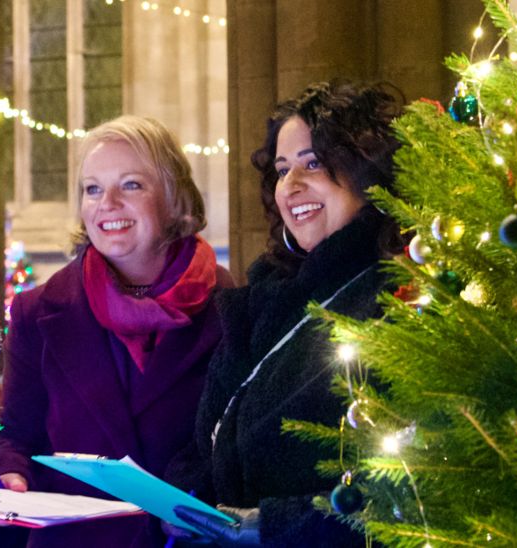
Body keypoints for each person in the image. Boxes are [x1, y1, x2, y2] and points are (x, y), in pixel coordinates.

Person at [166, 81, 405, 546]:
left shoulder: (399, 295)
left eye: (313, 163)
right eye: (281, 170)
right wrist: (183, 498)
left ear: (367, 170)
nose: (291, 186)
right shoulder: (263, 294)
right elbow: (209, 439)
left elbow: (407, 484)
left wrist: (268, 527)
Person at [0, 115, 234, 548]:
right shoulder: (37, 311)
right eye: (93, 189)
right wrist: (11, 470)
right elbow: (16, 435)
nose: (108, 203)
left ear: (174, 199)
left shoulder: (230, 304)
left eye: (132, 185)